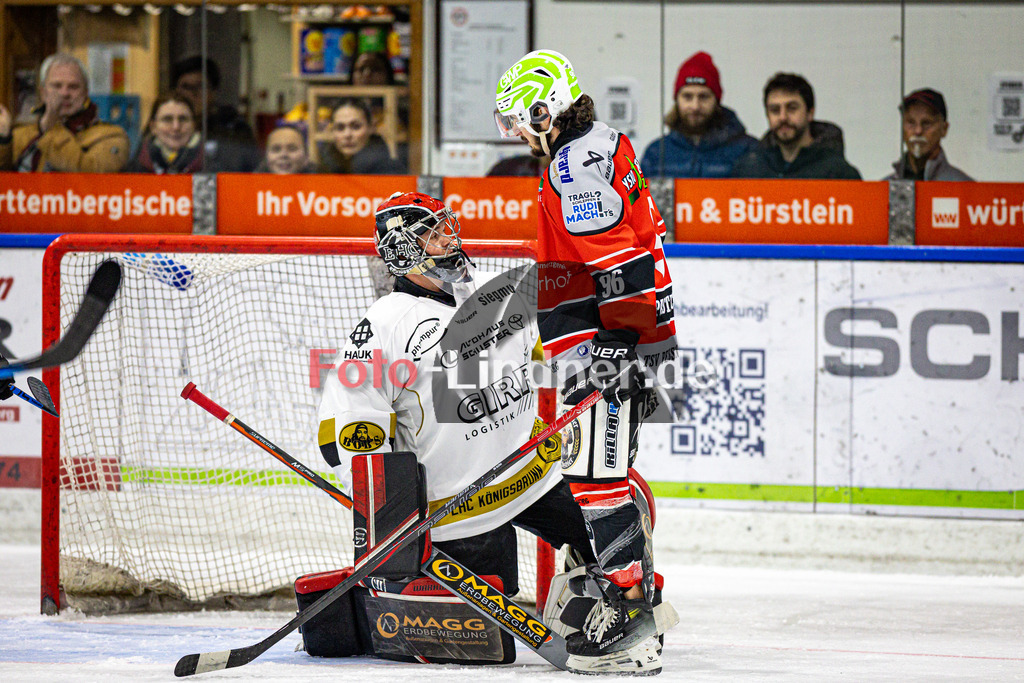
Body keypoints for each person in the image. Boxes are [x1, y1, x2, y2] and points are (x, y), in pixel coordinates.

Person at [316, 189, 595, 622]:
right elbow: (351, 425)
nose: (449, 239)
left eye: (446, 226)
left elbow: (558, 346)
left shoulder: (499, 290)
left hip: (535, 471)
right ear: (402, 250)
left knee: (614, 538)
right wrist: (389, 511)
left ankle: (587, 592)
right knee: (484, 635)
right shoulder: (384, 326)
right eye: (431, 234)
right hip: (459, 504)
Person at [495, 49, 678, 675]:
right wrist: (642, 341)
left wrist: (620, 346)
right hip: (626, 336)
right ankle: (634, 599)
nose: (516, 133)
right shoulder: (604, 144)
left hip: (604, 343)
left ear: (542, 110)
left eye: (517, 119)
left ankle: (629, 622)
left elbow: (616, 262)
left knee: (596, 481)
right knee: (607, 473)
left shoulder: (571, 167)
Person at [0, 53, 129, 172]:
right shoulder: (21, 136)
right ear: (43, 93)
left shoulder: (111, 137)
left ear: (85, 93)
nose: (64, 94)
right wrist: (4, 140)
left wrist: (51, 128)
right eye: (57, 86)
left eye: (73, 87)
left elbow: (89, 178)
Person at [640, 51, 757, 178]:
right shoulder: (656, 154)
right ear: (677, 99)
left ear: (717, 101)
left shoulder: (748, 150)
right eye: (687, 96)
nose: (695, 106)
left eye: (704, 97)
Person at [732, 72, 861, 179]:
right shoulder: (748, 171)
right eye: (775, 110)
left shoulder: (839, 174)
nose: (783, 117)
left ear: (810, 113)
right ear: (767, 115)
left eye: (792, 108)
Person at [171, 55, 260, 172]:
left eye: (200, 86)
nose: (192, 94)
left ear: (213, 92)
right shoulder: (167, 127)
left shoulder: (233, 128)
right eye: (186, 87)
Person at [885, 88, 973, 181]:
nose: (918, 131)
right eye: (911, 123)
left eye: (926, 123)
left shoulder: (964, 187)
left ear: (944, 129)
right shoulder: (885, 188)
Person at [319, 98, 404, 174]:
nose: (347, 134)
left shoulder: (391, 171)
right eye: (340, 128)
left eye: (356, 127)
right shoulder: (322, 169)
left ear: (371, 128)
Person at [126, 94, 203, 174]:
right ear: (153, 127)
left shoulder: (209, 161)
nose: (176, 127)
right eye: (167, 119)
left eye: (183, 119)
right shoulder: (136, 165)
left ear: (194, 125)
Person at [256, 121, 321, 174]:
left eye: (292, 149)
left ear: (306, 156)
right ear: (266, 155)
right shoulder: (252, 185)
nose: (283, 155)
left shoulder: (321, 185)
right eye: (276, 149)